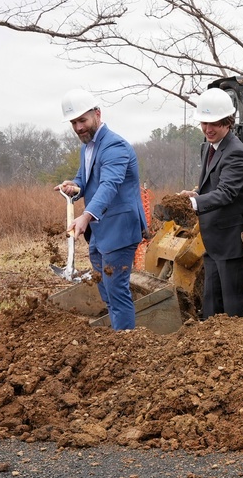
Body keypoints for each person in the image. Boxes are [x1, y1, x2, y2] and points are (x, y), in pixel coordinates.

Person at [55, 89, 147, 331]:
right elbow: (86, 179)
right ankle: (116, 339)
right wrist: (74, 187)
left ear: (97, 114)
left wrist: (85, 216)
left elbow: (109, 185)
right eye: (73, 122)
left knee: (117, 291)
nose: (78, 127)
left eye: (82, 120)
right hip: (99, 232)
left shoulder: (114, 146)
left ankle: (125, 342)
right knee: (105, 290)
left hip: (119, 230)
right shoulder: (87, 146)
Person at [178, 88, 243, 319]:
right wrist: (193, 193)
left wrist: (193, 204)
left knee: (236, 309)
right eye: (204, 123)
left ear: (228, 122)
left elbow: (226, 193)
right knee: (212, 307)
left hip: (234, 241)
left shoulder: (236, 152)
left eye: (214, 123)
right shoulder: (210, 147)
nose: (208, 129)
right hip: (215, 240)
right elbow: (212, 185)